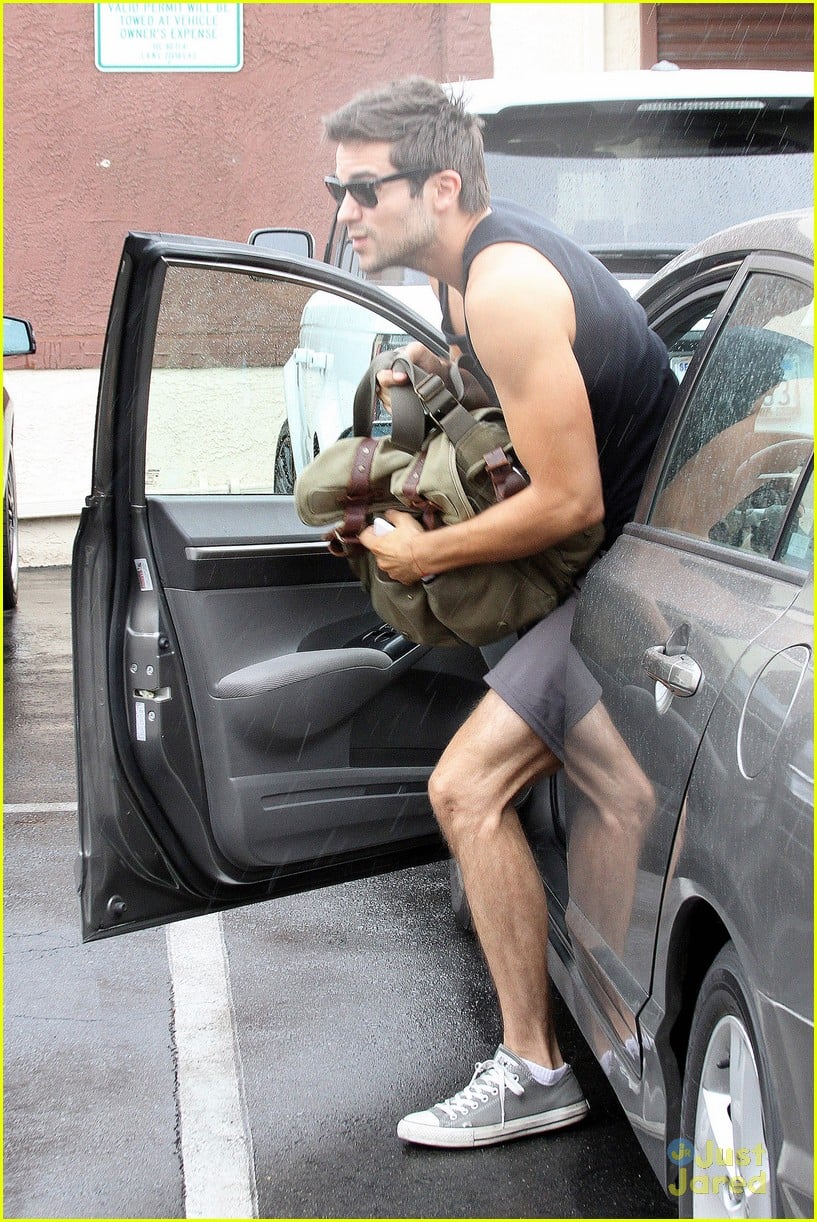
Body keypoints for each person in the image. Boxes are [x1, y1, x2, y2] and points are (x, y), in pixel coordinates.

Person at [323, 77, 677, 1149]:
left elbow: (574, 500)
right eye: (335, 188)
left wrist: (426, 548)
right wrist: (432, 377)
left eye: (361, 189)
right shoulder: (464, 283)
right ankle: (608, 1020)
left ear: (439, 185)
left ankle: (535, 1066)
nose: (345, 211)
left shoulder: (508, 284)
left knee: (468, 788)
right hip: (610, 567)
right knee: (613, 789)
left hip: (632, 575)